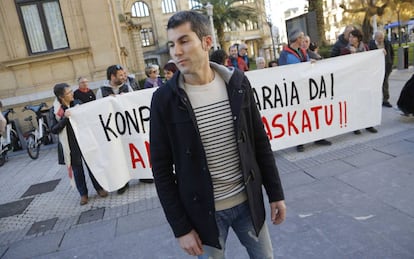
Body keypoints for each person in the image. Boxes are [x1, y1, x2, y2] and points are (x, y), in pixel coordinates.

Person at [150, 11, 286, 258]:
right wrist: (181, 228)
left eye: (184, 41)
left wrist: (275, 193)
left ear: (207, 42)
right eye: (171, 45)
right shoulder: (164, 100)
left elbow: (259, 141)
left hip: (248, 204)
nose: (176, 52)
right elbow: (161, 170)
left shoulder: (237, 83)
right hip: (202, 215)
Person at [51, 83, 108, 205]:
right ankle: (83, 194)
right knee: (78, 170)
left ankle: (99, 188)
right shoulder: (57, 111)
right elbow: (54, 129)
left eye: (71, 91)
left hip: (84, 140)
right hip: (70, 144)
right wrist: (65, 118)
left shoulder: (77, 102)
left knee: (92, 165)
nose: (72, 93)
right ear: (61, 97)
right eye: (69, 92)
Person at [279, 30, 331, 152]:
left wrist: (310, 63)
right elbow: (282, 71)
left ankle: (318, 137)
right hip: (295, 89)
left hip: (307, 86)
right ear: (297, 39)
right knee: (298, 115)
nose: (303, 40)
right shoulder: (284, 54)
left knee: (314, 112)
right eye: (302, 37)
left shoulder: (303, 52)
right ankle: (299, 141)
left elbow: (306, 65)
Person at [96, 64, 134, 194]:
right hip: (112, 130)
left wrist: (126, 99)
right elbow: (97, 111)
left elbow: (134, 104)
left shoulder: (127, 87)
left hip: (128, 127)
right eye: (121, 75)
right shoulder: (102, 91)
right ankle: (122, 182)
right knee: (117, 155)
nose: (124, 77)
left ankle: (143, 175)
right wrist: (107, 102)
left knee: (132, 150)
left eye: (124, 74)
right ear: (112, 77)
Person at [340, 29, 378, 135]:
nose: (351, 39)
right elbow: (342, 65)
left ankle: (368, 124)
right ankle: (355, 125)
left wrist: (379, 53)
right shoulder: (345, 50)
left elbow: (371, 57)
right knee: (355, 103)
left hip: (364, 79)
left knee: (366, 101)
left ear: (358, 38)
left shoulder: (365, 47)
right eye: (350, 37)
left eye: (353, 37)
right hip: (352, 80)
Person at [369, 31, 394, 108]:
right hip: (376, 67)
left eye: (382, 38)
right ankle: (374, 99)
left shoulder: (387, 43)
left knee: (385, 83)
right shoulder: (371, 44)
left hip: (386, 66)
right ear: (375, 38)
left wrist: (391, 62)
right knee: (375, 84)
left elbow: (392, 53)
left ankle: (385, 100)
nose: (381, 40)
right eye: (379, 38)